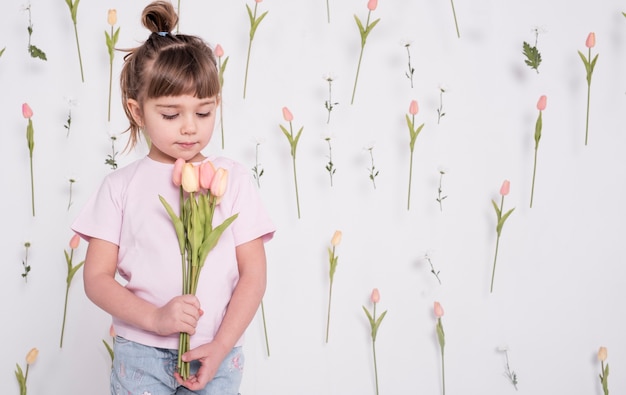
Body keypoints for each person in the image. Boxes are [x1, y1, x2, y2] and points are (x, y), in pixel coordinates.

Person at [71, 2, 275, 394]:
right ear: (137, 111)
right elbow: (96, 279)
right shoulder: (120, 187)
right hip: (140, 352)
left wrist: (221, 343)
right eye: (170, 114)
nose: (189, 128)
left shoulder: (232, 179)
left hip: (215, 350)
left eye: (204, 113)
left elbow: (254, 274)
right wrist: (156, 318)